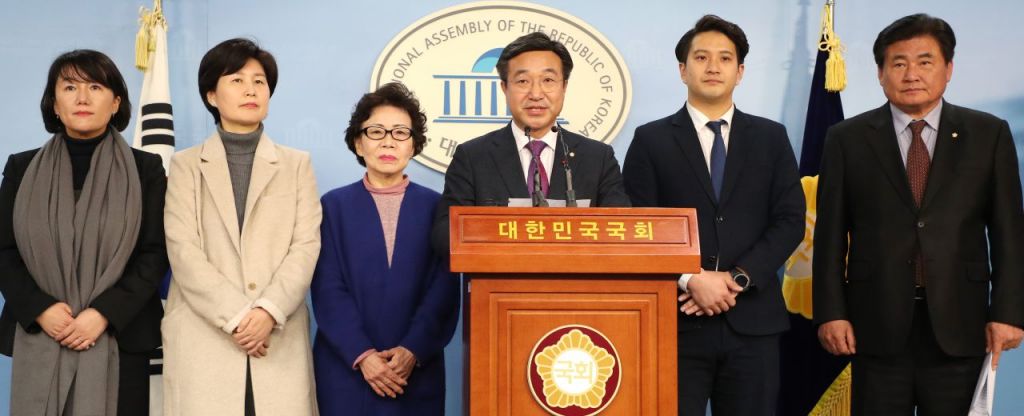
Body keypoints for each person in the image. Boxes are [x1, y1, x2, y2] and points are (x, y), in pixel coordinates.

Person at [813, 14, 1024, 415]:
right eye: (898, 63)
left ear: (948, 69)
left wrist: (1008, 312)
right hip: (874, 325)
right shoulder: (847, 138)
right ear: (880, 73)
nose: (912, 74)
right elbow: (829, 236)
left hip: (961, 325)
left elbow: (1009, 233)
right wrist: (831, 313)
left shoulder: (988, 134)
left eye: (925, 62)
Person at [622, 15, 804, 416]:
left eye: (725, 58)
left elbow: (790, 219)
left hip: (753, 324)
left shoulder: (770, 138)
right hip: (676, 321)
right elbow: (637, 226)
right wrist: (690, 278)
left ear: (740, 72)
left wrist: (737, 279)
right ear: (682, 70)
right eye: (701, 57)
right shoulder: (651, 140)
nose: (713, 67)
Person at [0, 49, 167, 415]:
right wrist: (40, 308)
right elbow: (5, 251)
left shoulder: (146, 170)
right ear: (54, 103)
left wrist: (103, 313)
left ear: (116, 103)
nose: (82, 98)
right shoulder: (21, 168)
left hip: (120, 336)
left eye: (95, 87)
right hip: (41, 331)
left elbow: (155, 254)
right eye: (70, 87)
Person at [162, 38, 321, 415]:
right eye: (236, 80)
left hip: (276, 335)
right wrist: (237, 318)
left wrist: (267, 311)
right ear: (211, 95)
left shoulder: (296, 164)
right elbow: (183, 251)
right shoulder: (185, 165)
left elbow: (305, 246)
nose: (251, 90)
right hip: (204, 336)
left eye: (259, 81)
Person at [311, 82, 459, 415]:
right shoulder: (332, 206)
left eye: (400, 133)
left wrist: (412, 350)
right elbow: (327, 288)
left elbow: (443, 291)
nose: (388, 141)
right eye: (376, 131)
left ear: (414, 145)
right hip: (347, 368)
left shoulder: (438, 208)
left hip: (415, 370)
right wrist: (363, 355)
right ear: (358, 143)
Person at [431, 31, 631, 254]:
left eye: (548, 80)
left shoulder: (598, 158)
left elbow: (622, 232)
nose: (536, 94)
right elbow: (444, 235)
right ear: (504, 88)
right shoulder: (472, 156)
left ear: (564, 86)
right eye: (523, 81)